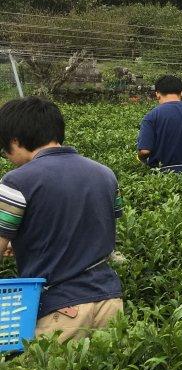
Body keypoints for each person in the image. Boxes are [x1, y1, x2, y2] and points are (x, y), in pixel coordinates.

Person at [0, 97, 123, 342]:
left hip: (62, 309)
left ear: (15, 141)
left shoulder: (16, 182)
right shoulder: (106, 174)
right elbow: (91, 226)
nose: (6, 157)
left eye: (4, 150)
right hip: (110, 302)